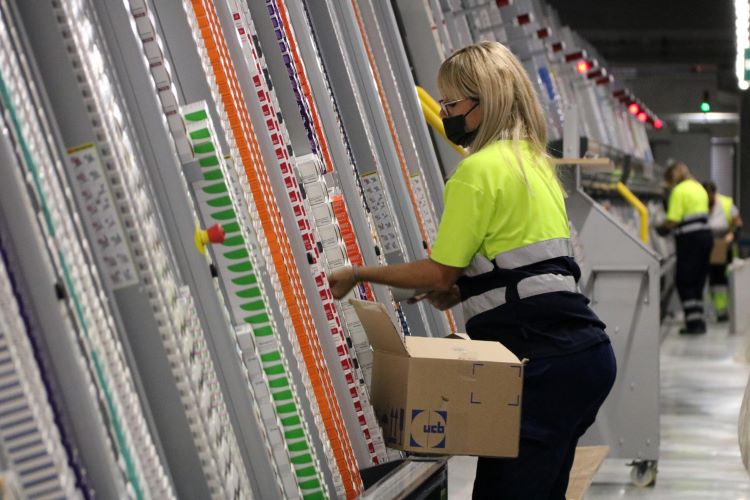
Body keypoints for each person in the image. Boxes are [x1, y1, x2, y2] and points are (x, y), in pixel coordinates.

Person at [328, 41, 616, 500]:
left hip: (541, 364)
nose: (445, 113)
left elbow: (439, 273)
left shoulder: (476, 172)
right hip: (582, 358)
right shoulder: (535, 165)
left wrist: (359, 275)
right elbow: (529, 268)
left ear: (487, 102)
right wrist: (467, 291)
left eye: (452, 103)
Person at [657, 161, 713, 333]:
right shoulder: (698, 187)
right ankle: (698, 320)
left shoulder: (679, 191)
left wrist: (661, 227)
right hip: (705, 237)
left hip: (690, 239)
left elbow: (673, 219)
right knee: (697, 280)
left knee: (684, 280)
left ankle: (693, 324)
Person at [703, 180, 743, 322]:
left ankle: (722, 310)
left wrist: (731, 235)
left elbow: (738, 223)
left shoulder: (726, 203)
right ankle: (712, 309)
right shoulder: (700, 204)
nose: (708, 201)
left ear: (714, 193)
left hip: (723, 246)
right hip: (706, 244)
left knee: (719, 278)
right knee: (708, 279)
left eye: (710, 198)